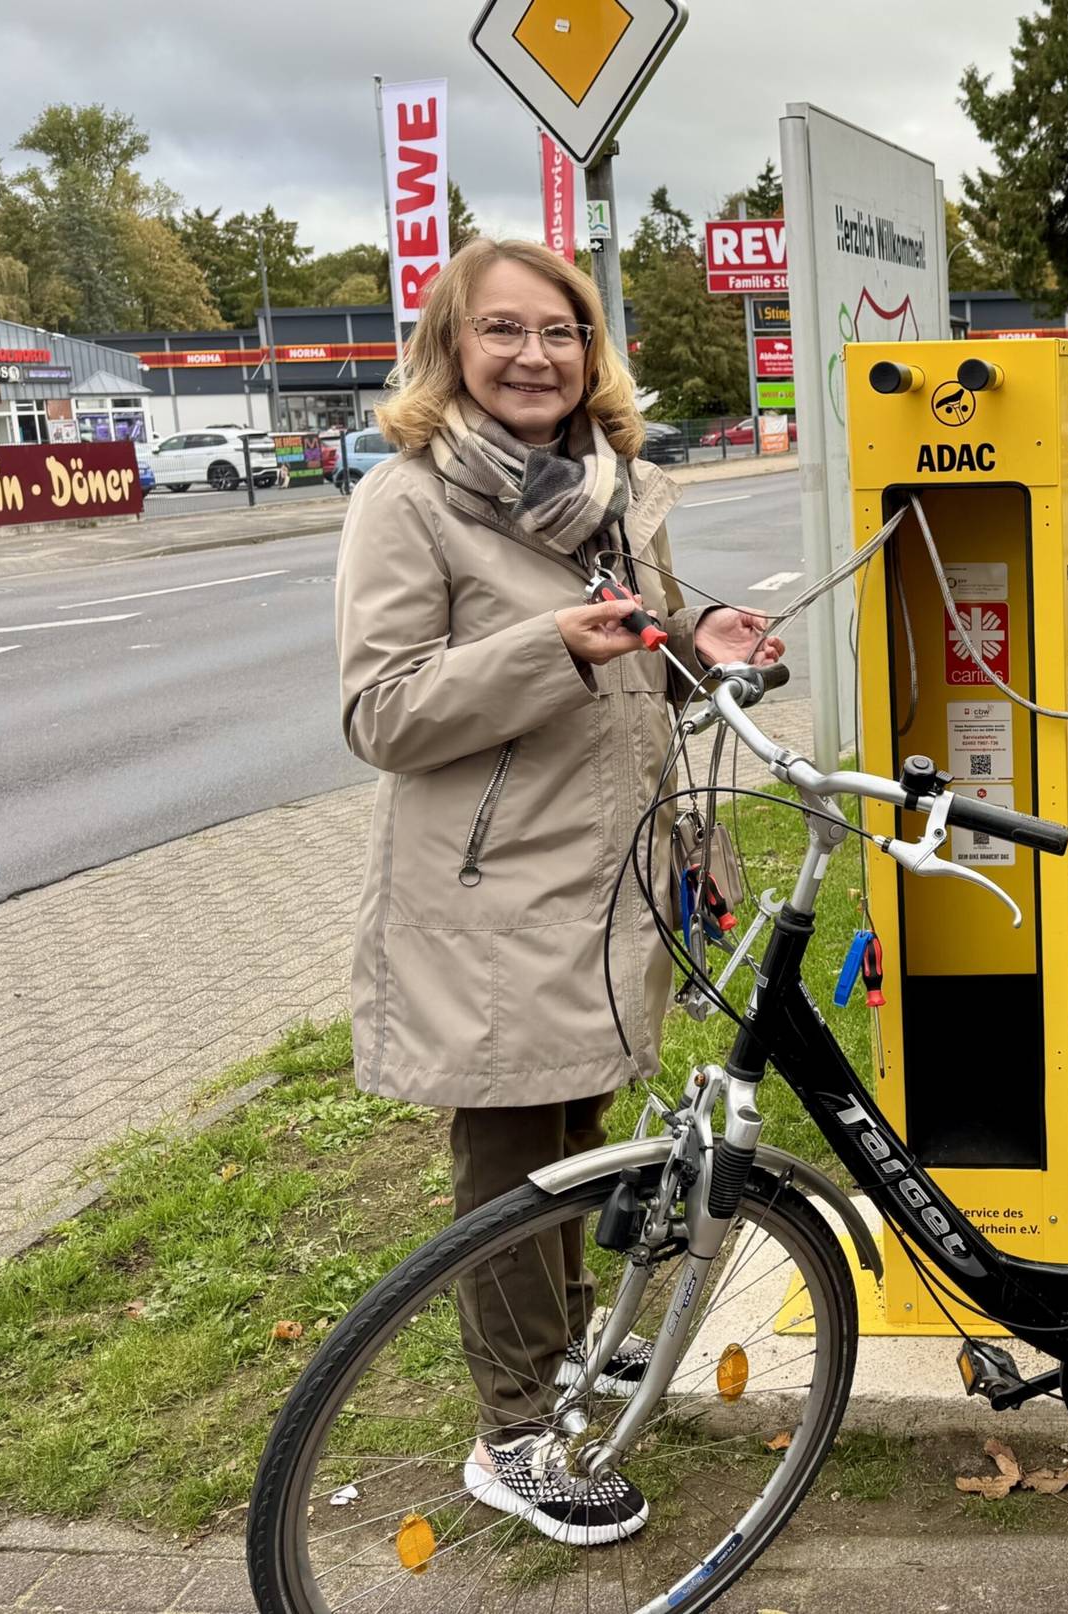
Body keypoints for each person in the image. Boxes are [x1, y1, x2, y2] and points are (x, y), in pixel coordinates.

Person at [335, 237, 782, 1546]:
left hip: (609, 874)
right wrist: (547, 647)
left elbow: (647, 656)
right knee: (511, 1167)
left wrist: (706, 648)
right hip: (493, 894)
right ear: (450, 350)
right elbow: (382, 709)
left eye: (561, 332)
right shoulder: (407, 501)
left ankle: (569, 1354)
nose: (535, 356)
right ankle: (515, 1433)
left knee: (574, 1142)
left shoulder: (614, 486)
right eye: (503, 332)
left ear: (593, 351)